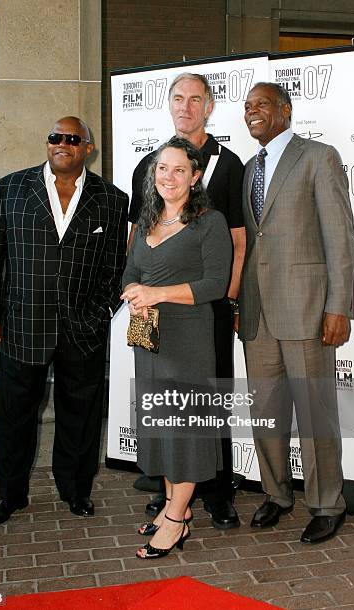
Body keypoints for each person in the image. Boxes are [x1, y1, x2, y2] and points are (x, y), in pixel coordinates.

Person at [0, 116, 128, 527]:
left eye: (72, 139)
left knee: (81, 416)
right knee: (15, 416)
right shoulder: (10, 188)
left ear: (88, 148)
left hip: (83, 329)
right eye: (55, 138)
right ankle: (10, 495)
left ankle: (76, 491)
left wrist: (100, 315)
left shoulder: (112, 199)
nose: (62, 144)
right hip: (22, 324)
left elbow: (117, 268)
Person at [238, 83, 354, 543]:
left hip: (307, 309)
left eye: (262, 105)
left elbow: (340, 239)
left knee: (314, 412)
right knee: (266, 412)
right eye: (247, 107)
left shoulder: (318, 157)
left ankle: (328, 503)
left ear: (285, 110)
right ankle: (277, 493)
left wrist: (338, 306)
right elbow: (254, 243)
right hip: (258, 313)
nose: (253, 113)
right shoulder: (251, 168)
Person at [128, 73, 245, 530]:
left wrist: (228, 303)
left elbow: (236, 245)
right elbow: (134, 244)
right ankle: (171, 498)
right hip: (151, 324)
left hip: (203, 312)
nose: (186, 106)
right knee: (162, 407)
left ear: (209, 105)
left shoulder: (230, 166)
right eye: (178, 98)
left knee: (201, 405)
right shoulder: (148, 167)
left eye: (196, 99)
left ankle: (213, 496)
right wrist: (134, 293)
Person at [121, 137, 232, 559]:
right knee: (163, 428)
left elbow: (213, 286)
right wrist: (134, 289)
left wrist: (156, 293)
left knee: (184, 431)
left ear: (195, 176)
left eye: (179, 170)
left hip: (188, 342)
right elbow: (129, 273)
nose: (168, 176)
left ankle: (172, 522)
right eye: (162, 168)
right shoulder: (148, 219)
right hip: (148, 342)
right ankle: (177, 511)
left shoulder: (210, 221)